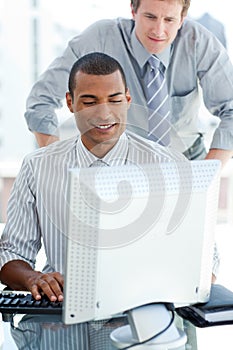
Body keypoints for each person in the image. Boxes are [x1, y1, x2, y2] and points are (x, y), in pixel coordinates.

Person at [0, 52, 185, 302]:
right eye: (89, 102)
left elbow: (207, 258)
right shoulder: (38, 166)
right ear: (70, 103)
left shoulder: (168, 165)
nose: (104, 114)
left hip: (145, 311)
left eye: (114, 100)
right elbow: (11, 254)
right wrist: (32, 277)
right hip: (60, 314)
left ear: (128, 99)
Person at [25, 0, 233, 167]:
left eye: (169, 19)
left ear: (181, 20)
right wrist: (57, 163)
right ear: (133, 11)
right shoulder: (101, 37)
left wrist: (208, 173)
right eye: (150, 17)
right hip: (118, 164)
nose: (159, 30)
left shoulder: (199, 42)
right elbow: (40, 102)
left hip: (186, 159)